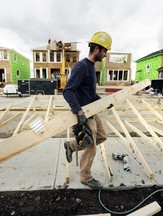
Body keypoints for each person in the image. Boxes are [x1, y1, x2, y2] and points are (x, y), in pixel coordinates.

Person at [63, 31, 112, 189]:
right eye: (105, 50)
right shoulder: (82, 66)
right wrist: (78, 112)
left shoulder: (91, 68)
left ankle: (71, 146)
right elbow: (68, 91)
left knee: (102, 136)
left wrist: (103, 102)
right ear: (97, 49)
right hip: (84, 113)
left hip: (92, 110)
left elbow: (90, 94)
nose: (105, 54)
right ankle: (86, 177)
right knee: (90, 145)